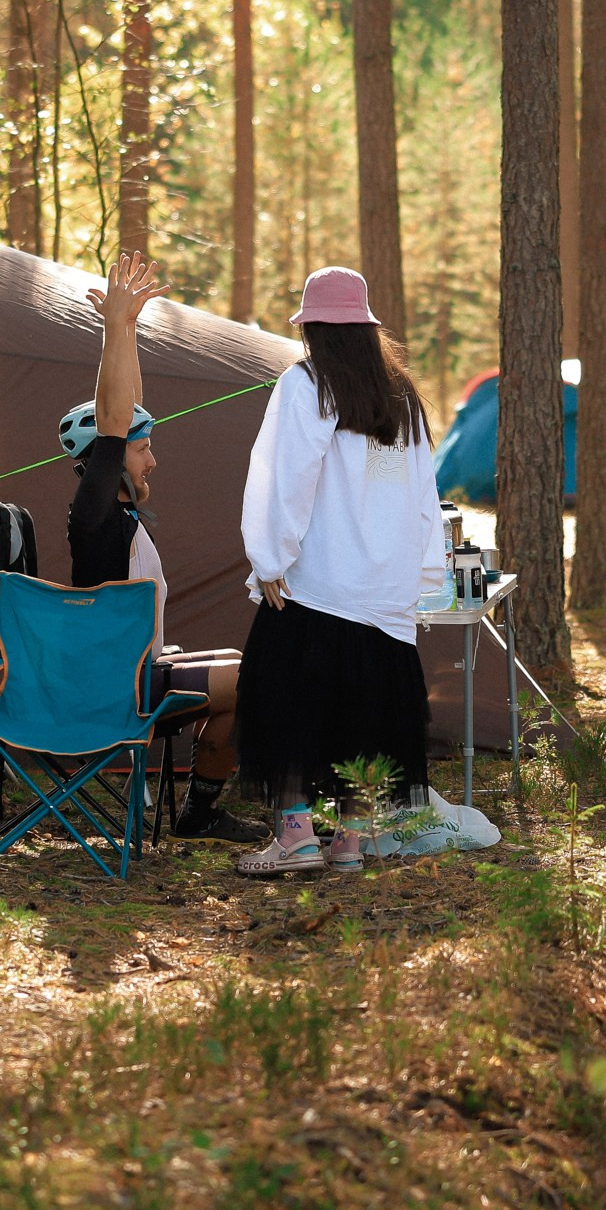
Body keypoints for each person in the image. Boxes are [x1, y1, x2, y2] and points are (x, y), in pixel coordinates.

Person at [233, 266, 447, 876]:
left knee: (289, 706)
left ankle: (298, 838)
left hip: (318, 582)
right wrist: (421, 574)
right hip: (383, 590)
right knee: (368, 717)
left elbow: (284, 474)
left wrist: (269, 556)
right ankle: (350, 844)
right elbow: (422, 494)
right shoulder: (402, 397)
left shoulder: (307, 384)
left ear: (315, 329)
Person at [59, 253, 260, 844]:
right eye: (141, 449)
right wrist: (112, 329)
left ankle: (201, 810)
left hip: (136, 670)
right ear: (108, 457)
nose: (153, 457)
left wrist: (131, 333)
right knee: (255, 684)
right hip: (118, 687)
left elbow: (129, 411)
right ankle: (206, 813)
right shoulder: (93, 515)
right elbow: (117, 420)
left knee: (248, 669)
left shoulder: (118, 511)